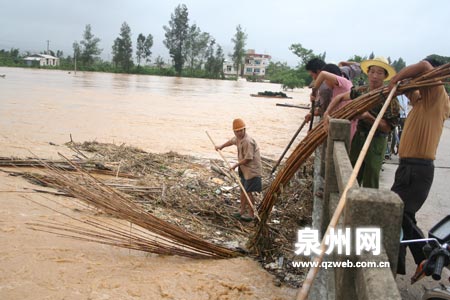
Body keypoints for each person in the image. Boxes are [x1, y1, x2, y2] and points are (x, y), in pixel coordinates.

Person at [387, 58, 450, 275]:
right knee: (404, 217)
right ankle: (401, 263)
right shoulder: (424, 99)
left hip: (417, 168)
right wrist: (401, 86)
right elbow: (410, 91)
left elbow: (423, 65)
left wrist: (396, 78)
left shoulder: (437, 95)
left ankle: (427, 258)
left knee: (396, 212)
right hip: (409, 168)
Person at [323, 56, 400, 188]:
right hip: (359, 137)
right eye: (372, 72)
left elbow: (387, 128)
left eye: (379, 73)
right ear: (368, 73)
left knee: (371, 177)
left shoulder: (390, 97)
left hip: (376, 141)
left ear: (385, 76)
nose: (375, 76)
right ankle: (348, 205)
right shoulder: (362, 91)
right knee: (351, 173)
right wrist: (327, 113)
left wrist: (367, 116)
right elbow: (340, 97)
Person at [215, 118, 262, 222]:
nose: (239, 133)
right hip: (244, 169)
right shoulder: (237, 138)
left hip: (252, 170)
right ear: (234, 132)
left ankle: (251, 214)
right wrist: (221, 146)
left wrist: (235, 165)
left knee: (248, 192)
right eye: (237, 131)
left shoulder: (247, 141)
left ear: (244, 129)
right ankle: (241, 211)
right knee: (242, 190)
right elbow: (231, 141)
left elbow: (248, 158)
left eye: (241, 130)